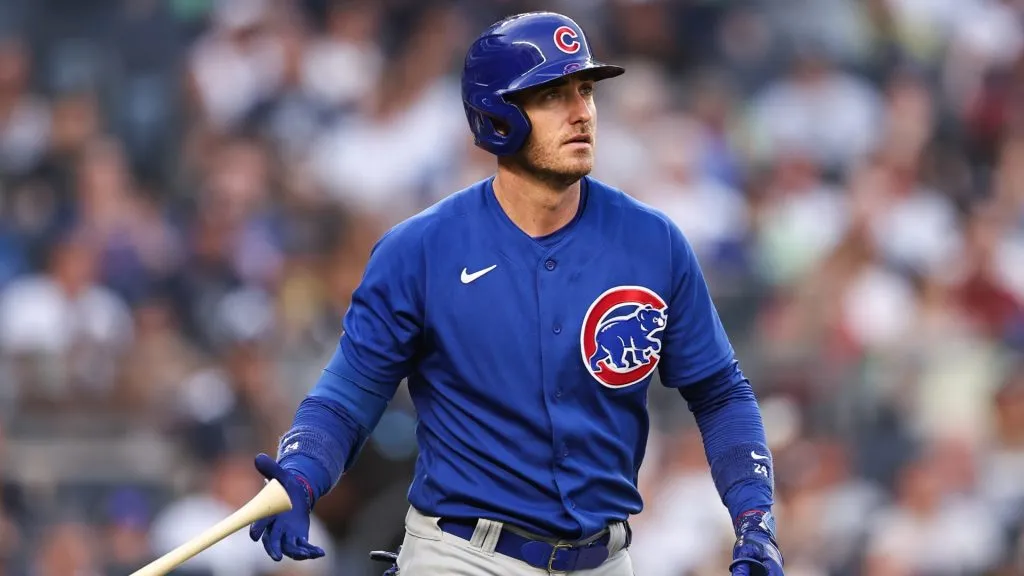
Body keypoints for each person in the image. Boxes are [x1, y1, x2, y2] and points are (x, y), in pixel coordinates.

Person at [247, 11, 784, 576]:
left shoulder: (654, 243)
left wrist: (755, 519)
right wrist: (302, 472)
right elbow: (348, 397)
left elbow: (720, 392)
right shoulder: (420, 251)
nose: (582, 112)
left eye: (585, 90)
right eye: (554, 95)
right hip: (462, 556)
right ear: (497, 115)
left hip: (606, 558)